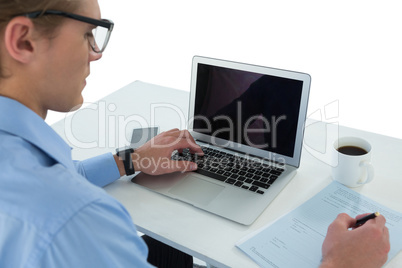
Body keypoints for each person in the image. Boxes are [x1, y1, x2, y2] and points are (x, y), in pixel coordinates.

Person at [0, 0, 390, 267]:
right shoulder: (80, 218)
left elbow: (68, 175)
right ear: (23, 40)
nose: (96, 53)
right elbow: (67, 205)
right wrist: (341, 263)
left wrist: (129, 160)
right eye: (90, 33)